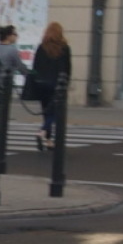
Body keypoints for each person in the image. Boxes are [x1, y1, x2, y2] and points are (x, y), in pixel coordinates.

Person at [30, 21, 72, 151]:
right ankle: (42, 131)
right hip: (56, 85)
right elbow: (67, 68)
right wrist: (66, 83)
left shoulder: (41, 47)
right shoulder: (64, 48)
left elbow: (35, 66)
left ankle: (48, 140)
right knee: (55, 112)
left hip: (41, 85)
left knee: (46, 111)